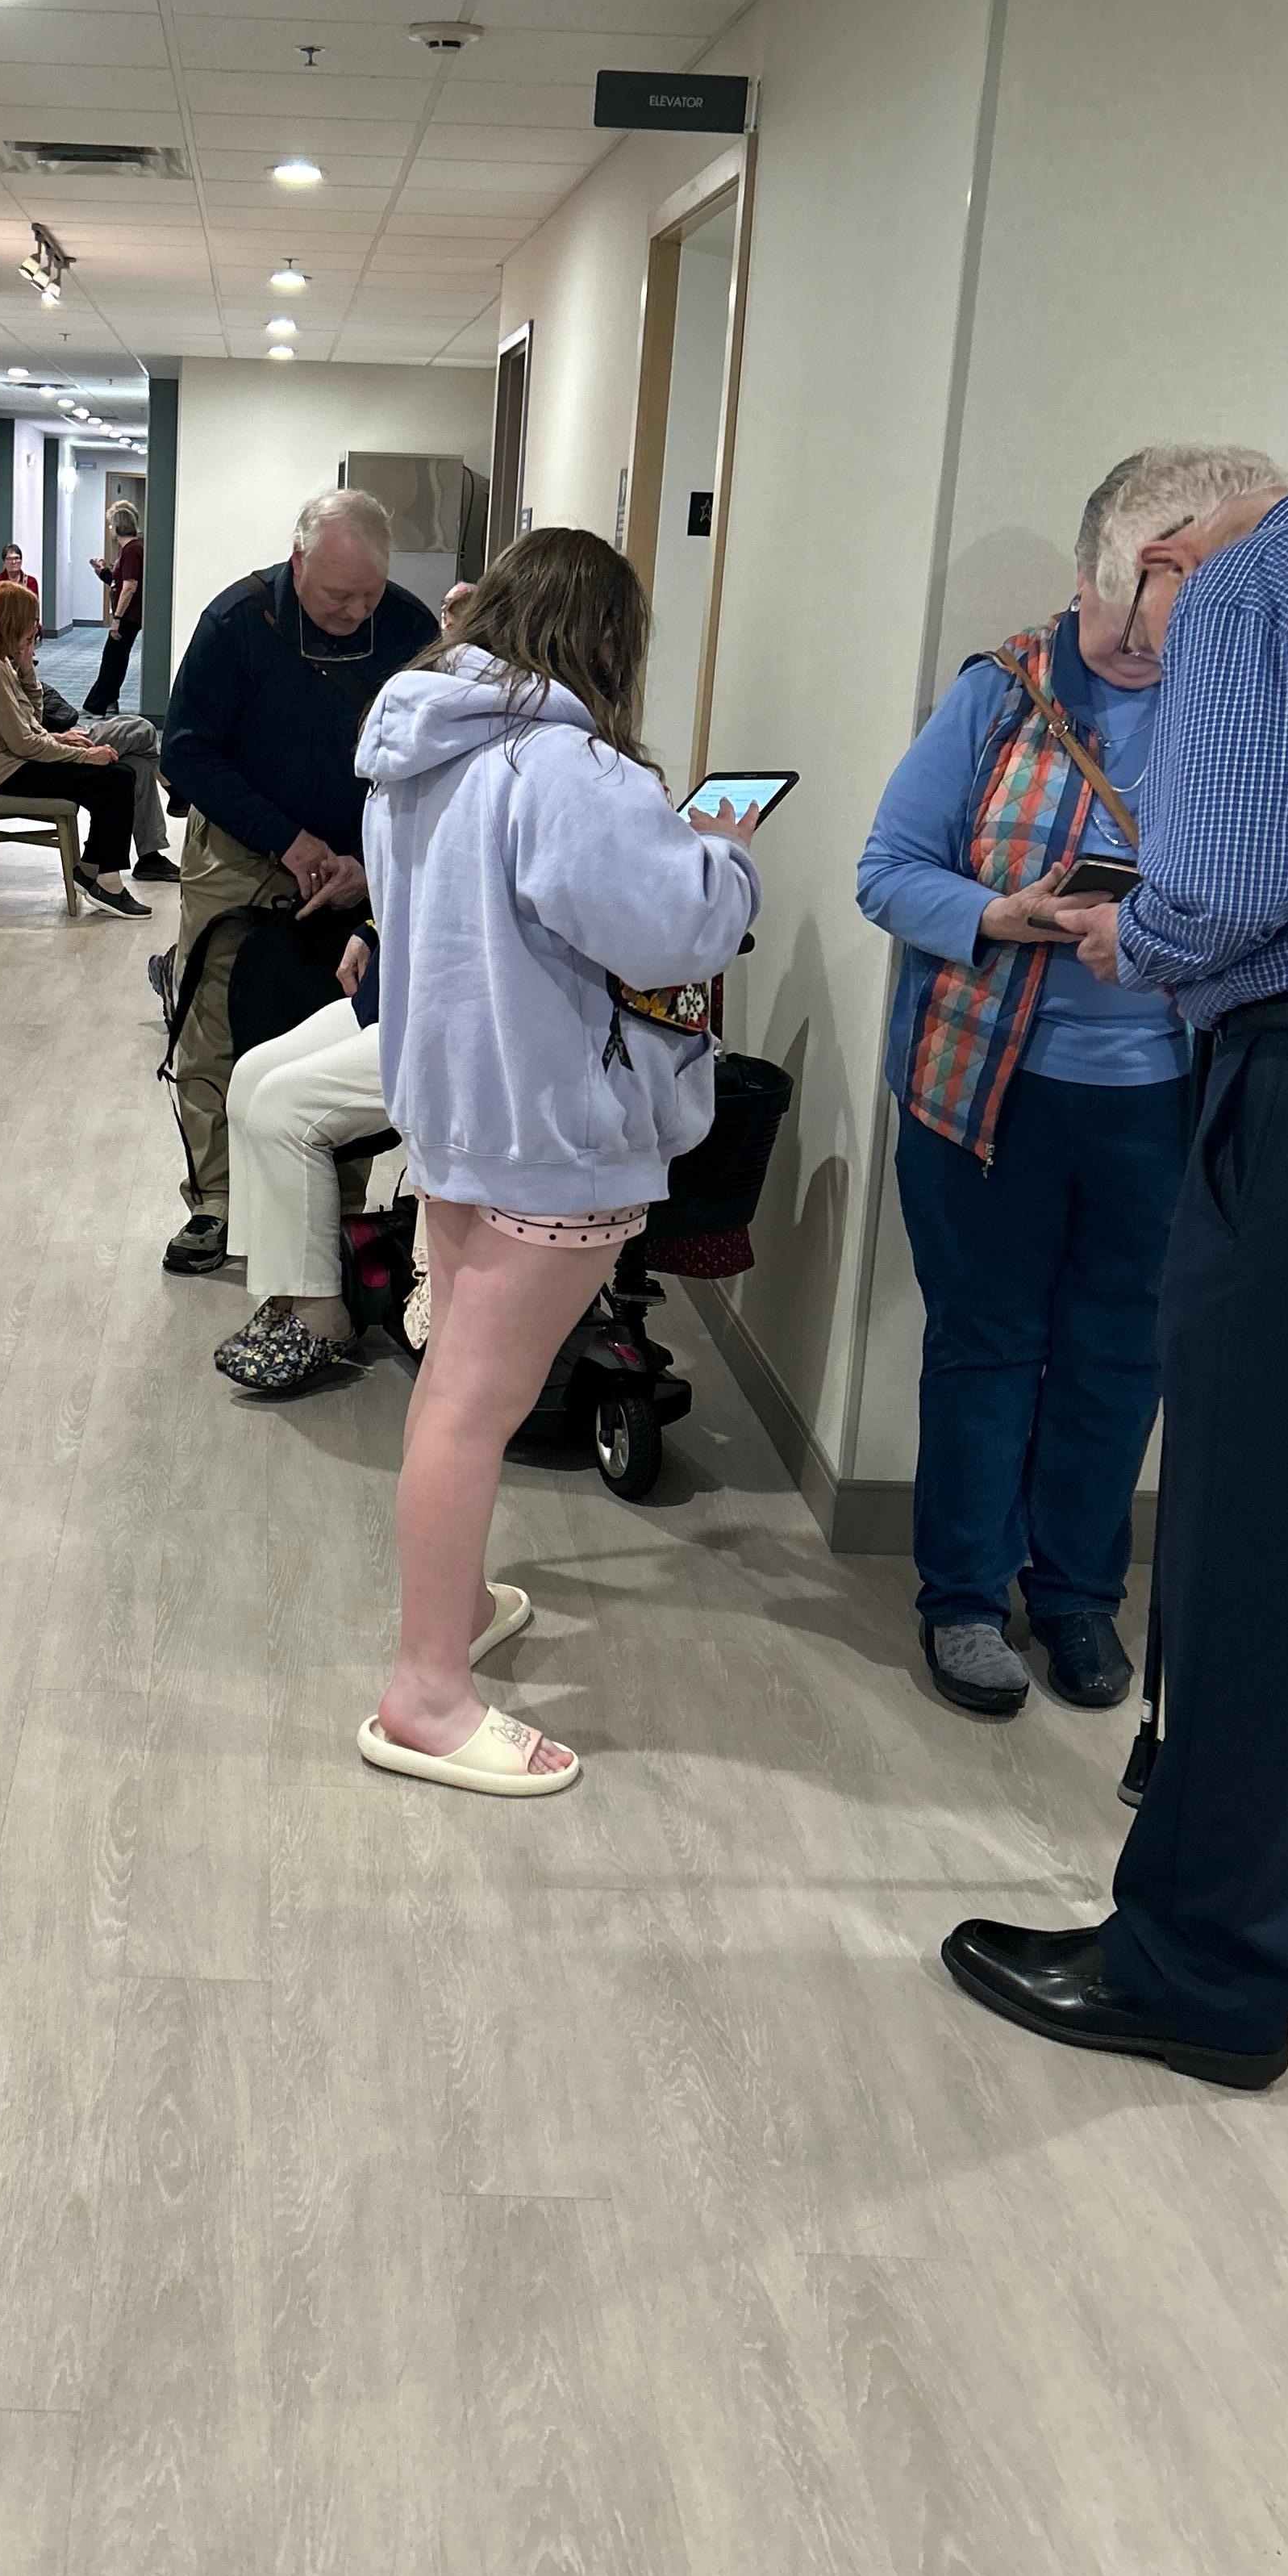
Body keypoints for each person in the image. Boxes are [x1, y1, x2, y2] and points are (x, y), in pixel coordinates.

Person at [944, 461, 1288, 2090]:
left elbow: (1228, 879)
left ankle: (1199, 1961)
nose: (1134, 655)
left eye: (1127, 631)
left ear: (1163, 565)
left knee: (1260, 1535)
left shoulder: (1257, 587)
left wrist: (1139, 939)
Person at [352, 528, 760, 1793]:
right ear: (606, 641)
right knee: (479, 1401)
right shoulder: (568, 768)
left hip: (461, 1113)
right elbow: (674, 932)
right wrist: (726, 849)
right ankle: (425, 1692)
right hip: (552, 1132)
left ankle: (452, 1610)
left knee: (453, 1384)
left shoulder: (419, 745)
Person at [856, 450, 1207, 1718]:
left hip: (1165, 1096)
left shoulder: (1241, 704)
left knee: (1123, 1352)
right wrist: (1002, 912)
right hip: (983, 1094)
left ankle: (1074, 1595)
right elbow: (888, 871)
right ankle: (962, 1596)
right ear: (1084, 575)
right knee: (988, 1343)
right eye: (1115, 610)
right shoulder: (997, 696)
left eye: (1160, 615)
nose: (1132, 641)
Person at [157, 487, 433, 1275]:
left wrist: (369, 862)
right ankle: (214, 1201)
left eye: (368, 595)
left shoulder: (412, 629)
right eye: (337, 595)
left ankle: (334, 1205)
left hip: (357, 861)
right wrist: (286, 840)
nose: (352, 612)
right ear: (297, 560)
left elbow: (424, 764)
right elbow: (186, 752)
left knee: (338, 1025)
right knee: (213, 1020)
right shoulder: (237, 624)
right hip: (243, 852)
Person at [215, 924, 391, 1397]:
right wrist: (370, 931)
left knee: (281, 1109)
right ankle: (287, 1289)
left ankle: (322, 1312)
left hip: (445, 1013)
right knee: (251, 1078)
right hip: (393, 987)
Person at [0, 587, 177, 883]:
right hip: (10, 771)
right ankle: (102, 878)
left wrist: (27, 671)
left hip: (14, 762)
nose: (34, 630)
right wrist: (84, 756)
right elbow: (24, 743)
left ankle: (103, 870)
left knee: (132, 768)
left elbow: (30, 722)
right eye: (30, 621)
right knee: (118, 778)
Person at [84, 496, 145, 716]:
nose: (110, 529)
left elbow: (130, 586)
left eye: (111, 525)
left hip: (128, 617)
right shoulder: (129, 550)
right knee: (115, 659)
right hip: (128, 615)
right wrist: (103, 572)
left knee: (112, 660)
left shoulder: (132, 550)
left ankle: (97, 704)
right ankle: (109, 702)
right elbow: (118, 582)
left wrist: (116, 619)